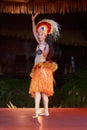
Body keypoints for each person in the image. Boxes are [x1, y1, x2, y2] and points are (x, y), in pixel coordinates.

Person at [29, 13, 60, 118]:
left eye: (41, 34)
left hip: (42, 69)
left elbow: (46, 55)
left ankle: (37, 112)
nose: (39, 35)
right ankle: (45, 111)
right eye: (39, 34)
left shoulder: (46, 45)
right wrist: (33, 21)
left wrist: (42, 51)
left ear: (45, 35)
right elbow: (34, 32)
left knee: (39, 91)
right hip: (37, 69)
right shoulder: (39, 42)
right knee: (41, 92)